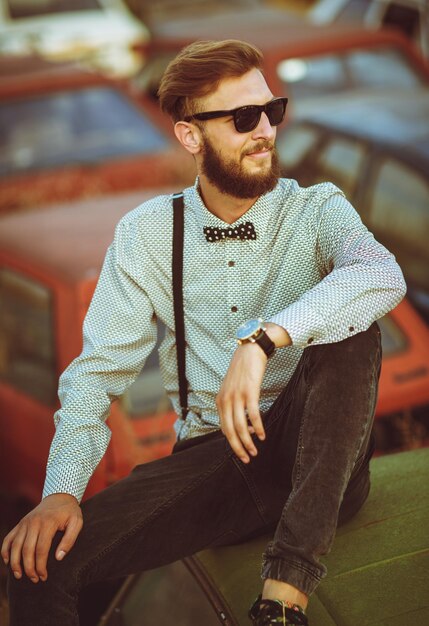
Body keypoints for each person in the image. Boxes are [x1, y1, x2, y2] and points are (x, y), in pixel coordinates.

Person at [2, 39, 406, 626]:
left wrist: (262, 340)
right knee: (35, 566)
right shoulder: (146, 236)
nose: (266, 130)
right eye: (244, 118)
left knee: (352, 327)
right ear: (191, 135)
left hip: (323, 463)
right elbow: (95, 379)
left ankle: (283, 599)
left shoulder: (317, 209)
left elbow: (380, 274)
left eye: (274, 111)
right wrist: (60, 490)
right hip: (215, 464)